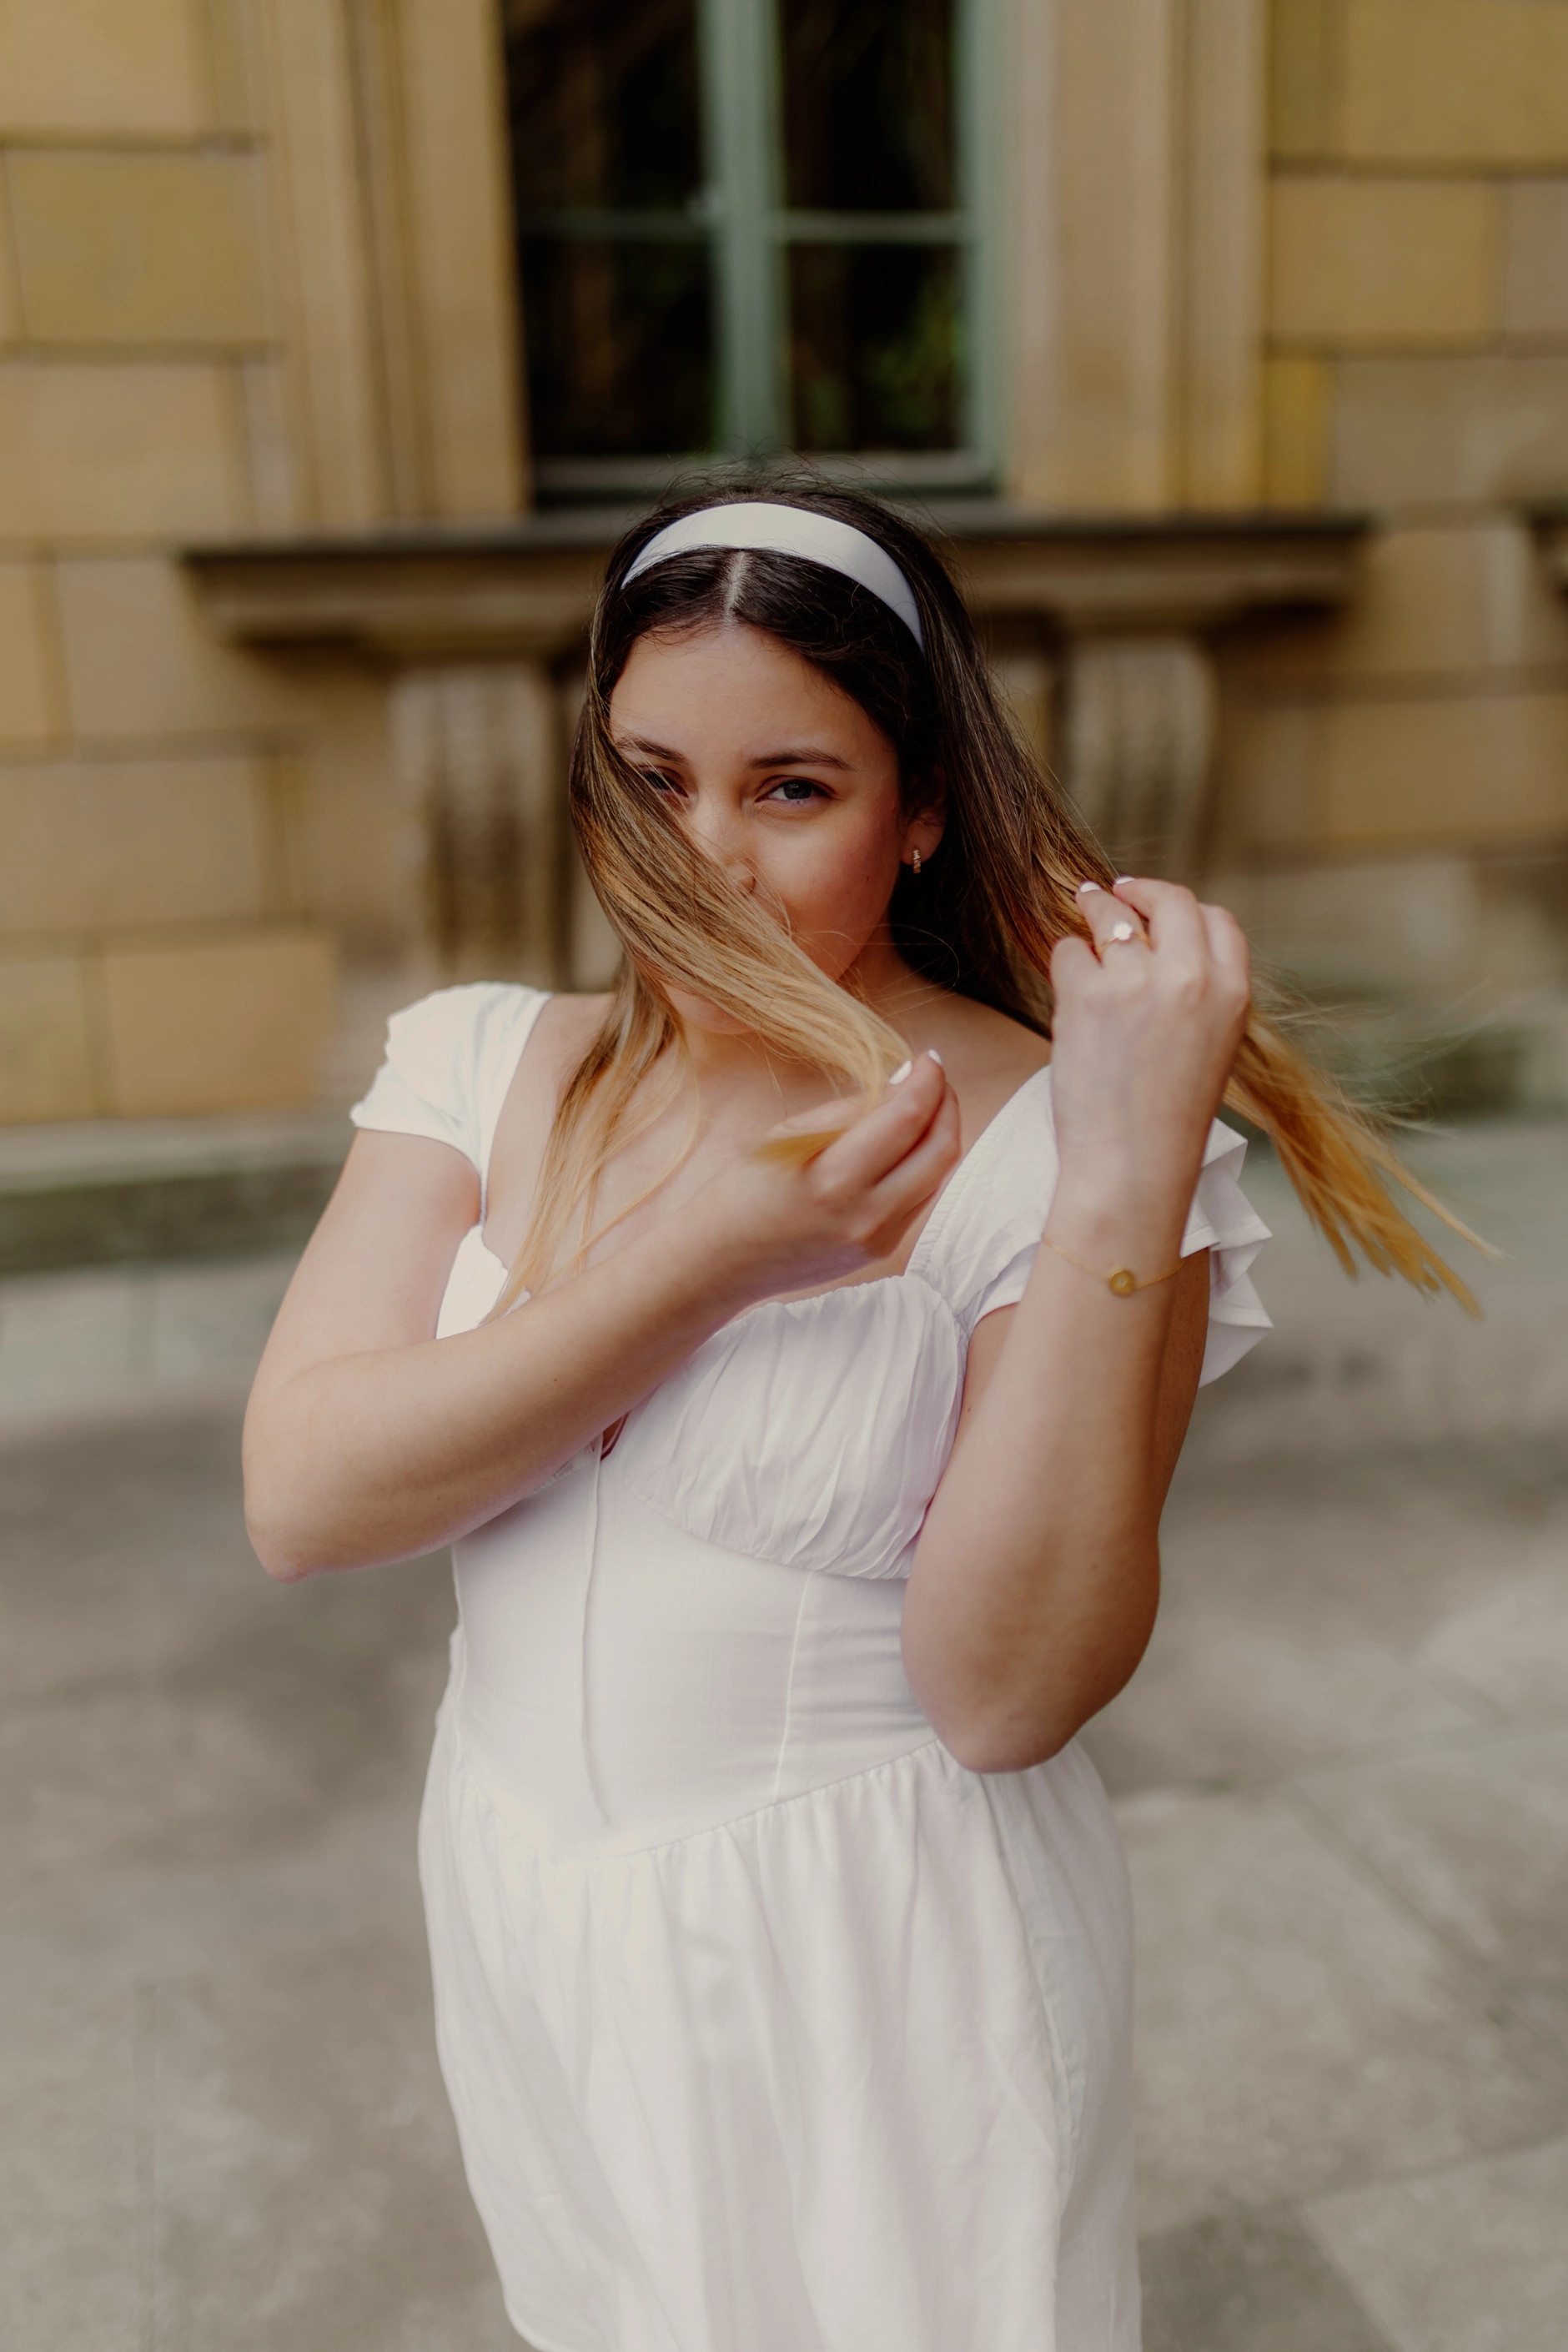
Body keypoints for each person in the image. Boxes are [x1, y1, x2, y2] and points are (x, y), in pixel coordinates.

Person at [244, 485, 1473, 2352]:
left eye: (790, 789)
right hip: (528, 1906)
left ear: (915, 818)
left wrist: (1124, 1170)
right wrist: (710, 1257)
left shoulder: (1065, 1148)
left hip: (880, 1964)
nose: (703, 858)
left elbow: (1008, 1690)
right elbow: (305, 1496)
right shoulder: (481, 1056)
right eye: (650, 780)